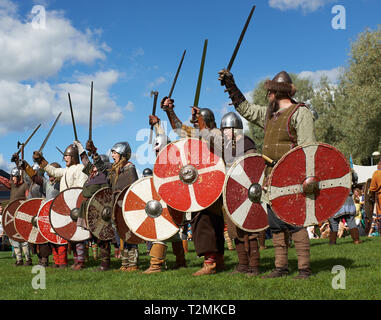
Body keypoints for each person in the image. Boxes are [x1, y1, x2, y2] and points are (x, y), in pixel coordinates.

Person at [218, 69, 315, 279]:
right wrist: (230, 85)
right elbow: (246, 109)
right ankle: (281, 267)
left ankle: (304, 268)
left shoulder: (300, 113)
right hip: (271, 175)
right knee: (277, 224)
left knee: (296, 222)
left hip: (293, 176)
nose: (267, 96)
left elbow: (308, 148)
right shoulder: (269, 115)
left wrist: (305, 177)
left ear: (277, 92)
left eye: (269, 92)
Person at [161, 98, 225, 276]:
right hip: (200, 185)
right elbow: (180, 130)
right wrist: (169, 111)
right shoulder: (198, 134)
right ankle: (217, 261)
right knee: (208, 221)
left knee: (205, 220)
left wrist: (202, 125)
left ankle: (210, 262)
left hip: (212, 183)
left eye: (199, 121)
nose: (197, 124)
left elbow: (216, 146)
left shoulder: (216, 133)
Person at [196, 110, 263, 276]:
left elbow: (254, 167)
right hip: (229, 193)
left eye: (227, 129)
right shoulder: (225, 145)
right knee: (234, 231)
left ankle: (254, 266)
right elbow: (206, 136)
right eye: (223, 129)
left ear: (236, 129)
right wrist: (199, 119)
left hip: (245, 192)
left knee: (249, 231)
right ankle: (242, 265)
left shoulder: (247, 144)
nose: (224, 132)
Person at [141, 116, 186, 274]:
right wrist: (157, 126)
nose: (155, 149)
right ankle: (181, 261)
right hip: (169, 204)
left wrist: (159, 126)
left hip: (172, 203)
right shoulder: (162, 162)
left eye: (157, 147)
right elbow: (163, 140)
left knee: (159, 232)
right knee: (173, 233)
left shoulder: (172, 162)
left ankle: (156, 265)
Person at [33, 144, 88, 270]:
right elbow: (53, 171)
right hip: (68, 207)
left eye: (67, 156)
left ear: (73, 156)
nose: (65, 158)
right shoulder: (66, 170)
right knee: (71, 236)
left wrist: (76, 204)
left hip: (77, 206)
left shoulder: (80, 169)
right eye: (64, 156)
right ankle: (76, 261)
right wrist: (41, 160)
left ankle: (81, 261)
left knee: (78, 235)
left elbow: (80, 189)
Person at [89, 140, 140, 272]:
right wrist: (94, 153)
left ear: (122, 154)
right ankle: (125, 263)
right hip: (115, 207)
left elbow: (133, 189)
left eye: (115, 153)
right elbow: (101, 167)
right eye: (112, 153)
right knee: (121, 235)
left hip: (126, 207)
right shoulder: (114, 169)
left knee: (129, 235)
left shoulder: (130, 168)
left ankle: (133, 263)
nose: (112, 155)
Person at [73, 140, 114, 271]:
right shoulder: (92, 174)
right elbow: (85, 161)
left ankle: (105, 264)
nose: (93, 167)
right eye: (93, 166)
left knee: (103, 237)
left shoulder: (104, 174)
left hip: (100, 209)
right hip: (90, 208)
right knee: (96, 237)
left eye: (95, 165)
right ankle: (101, 263)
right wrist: (80, 148)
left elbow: (99, 164)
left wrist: (94, 153)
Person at [20, 160, 68, 268]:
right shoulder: (47, 183)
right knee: (52, 240)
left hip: (60, 214)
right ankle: (57, 262)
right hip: (48, 214)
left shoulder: (63, 183)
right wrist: (26, 167)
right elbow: (35, 177)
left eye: (52, 174)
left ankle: (63, 262)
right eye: (49, 175)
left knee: (61, 240)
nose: (50, 177)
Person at [0, 167, 32, 266]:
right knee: (13, 237)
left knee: (24, 238)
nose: (14, 179)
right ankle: (19, 260)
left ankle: (28, 259)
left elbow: (28, 200)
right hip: (12, 215)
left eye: (15, 177)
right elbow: (4, 181)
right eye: (13, 177)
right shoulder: (12, 185)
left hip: (22, 215)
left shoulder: (25, 186)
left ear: (18, 176)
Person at [328, 172, 362, 244]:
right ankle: (356, 240)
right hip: (347, 197)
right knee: (351, 221)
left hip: (334, 199)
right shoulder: (347, 170)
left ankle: (332, 242)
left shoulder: (328, 170)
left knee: (334, 221)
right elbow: (355, 178)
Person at [368, 160, 381, 236]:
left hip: (380, 196)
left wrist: (371, 197)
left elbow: (372, 188)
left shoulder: (377, 173)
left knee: (380, 215)